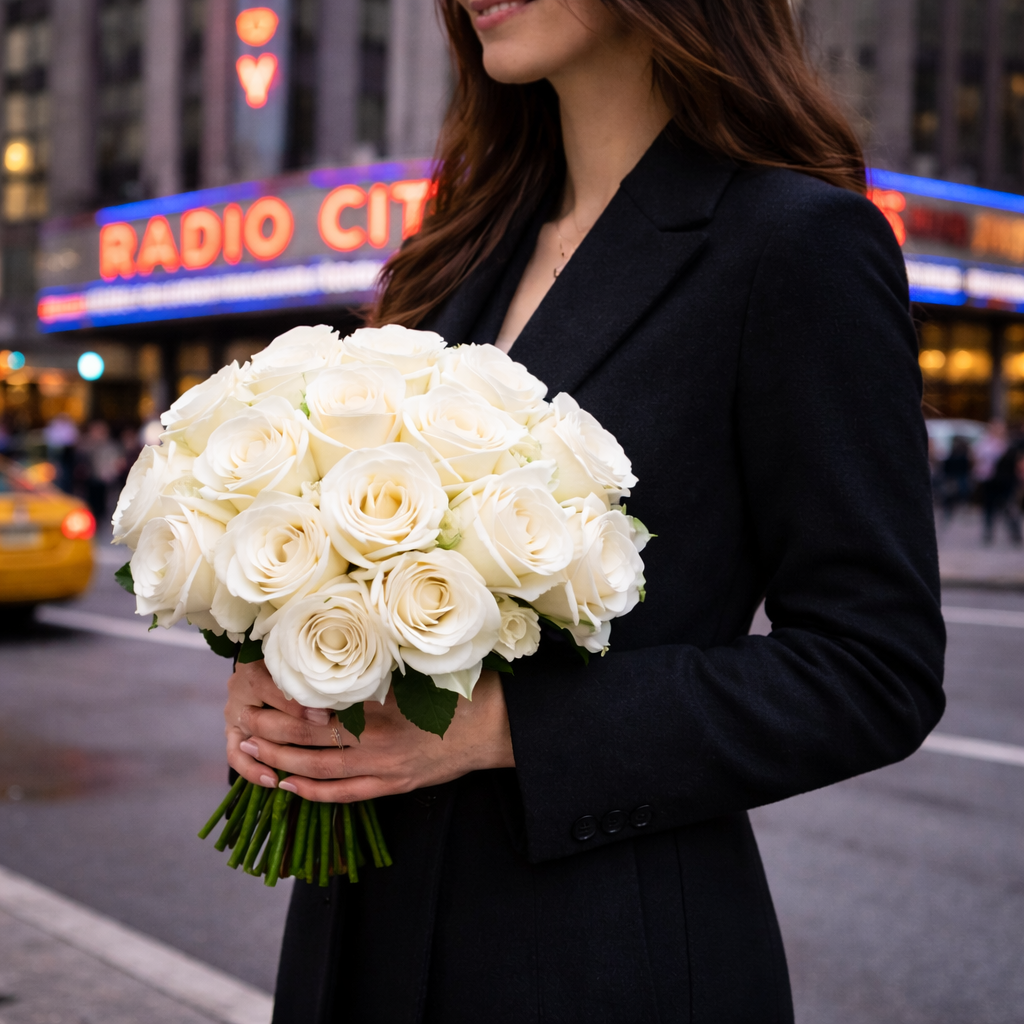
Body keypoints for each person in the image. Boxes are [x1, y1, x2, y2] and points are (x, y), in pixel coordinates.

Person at [226, 2, 946, 1021]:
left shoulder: (794, 245)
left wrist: (501, 730)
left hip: (601, 953)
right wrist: (286, 671)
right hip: (360, 937)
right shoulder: (460, 250)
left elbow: (874, 670)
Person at [941, 435, 973, 520]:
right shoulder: (957, 452)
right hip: (955, 476)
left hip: (957, 476)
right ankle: (951, 509)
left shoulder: (962, 452)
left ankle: (953, 508)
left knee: (956, 493)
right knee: (953, 493)